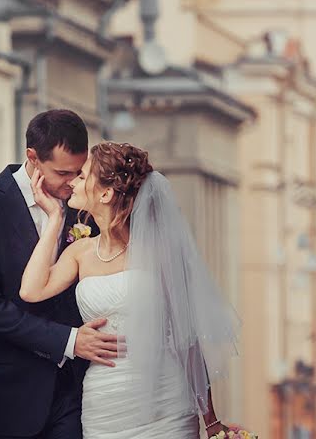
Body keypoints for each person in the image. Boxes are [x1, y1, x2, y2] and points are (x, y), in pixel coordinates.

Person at [20, 141, 240, 438]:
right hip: (105, 404)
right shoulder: (80, 252)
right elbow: (31, 291)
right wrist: (54, 219)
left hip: (166, 401)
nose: (73, 182)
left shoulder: (160, 252)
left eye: (83, 177)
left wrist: (211, 419)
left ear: (106, 193)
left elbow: (188, 341)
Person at [0, 110, 121, 439]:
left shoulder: (86, 204)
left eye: (79, 172)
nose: (73, 182)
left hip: (75, 392)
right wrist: (69, 340)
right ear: (32, 156)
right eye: (62, 173)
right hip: (5, 395)